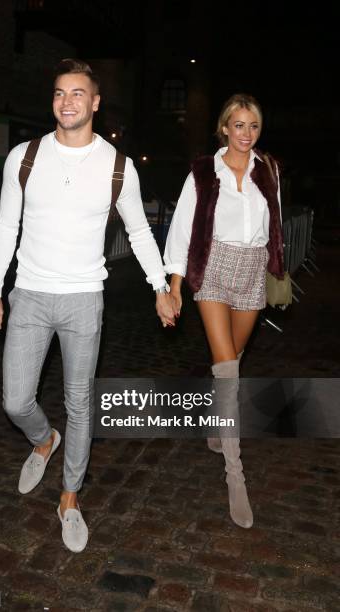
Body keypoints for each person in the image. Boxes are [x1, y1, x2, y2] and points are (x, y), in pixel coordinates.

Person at [0, 58, 175, 552]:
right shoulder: (24, 157)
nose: (67, 101)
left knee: (80, 403)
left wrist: (160, 285)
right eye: (60, 92)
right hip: (30, 295)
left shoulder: (117, 167)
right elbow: (6, 226)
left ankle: (69, 496)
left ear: (95, 102)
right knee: (15, 400)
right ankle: (44, 440)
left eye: (77, 93)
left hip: (85, 298)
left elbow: (138, 230)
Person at [164, 93, 284, 529]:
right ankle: (236, 475)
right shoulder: (203, 170)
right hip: (213, 268)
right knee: (228, 370)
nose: (246, 134)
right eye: (238, 125)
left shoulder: (267, 170)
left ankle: (218, 427)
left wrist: (276, 268)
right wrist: (175, 286)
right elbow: (182, 226)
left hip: (252, 270)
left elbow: (275, 220)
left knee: (232, 360)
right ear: (224, 128)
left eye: (253, 126)